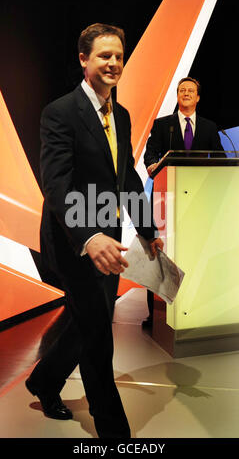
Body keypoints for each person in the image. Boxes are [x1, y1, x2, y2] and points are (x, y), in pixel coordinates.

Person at [25, 23, 163, 439]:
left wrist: (146, 229)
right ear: (83, 59)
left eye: (119, 56)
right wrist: (88, 236)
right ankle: (115, 434)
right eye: (105, 55)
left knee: (88, 322)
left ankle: (44, 381)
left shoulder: (119, 114)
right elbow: (57, 186)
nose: (114, 63)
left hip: (111, 241)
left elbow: (127, 178)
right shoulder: (60, 112)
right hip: (73, 242)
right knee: (99, 335)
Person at [143, 77, 225, 327]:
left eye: (191, 90)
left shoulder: (210, 128)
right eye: (182, 90)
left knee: (195, 253)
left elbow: (220, 158)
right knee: (162, 255)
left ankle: (194, 308)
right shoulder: (162, 125)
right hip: (167, 199)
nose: (186, 93)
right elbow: (150, 153)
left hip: (198, 201)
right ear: (177, 96)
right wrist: (151, 165)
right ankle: (156, 315)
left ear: (198, 97)